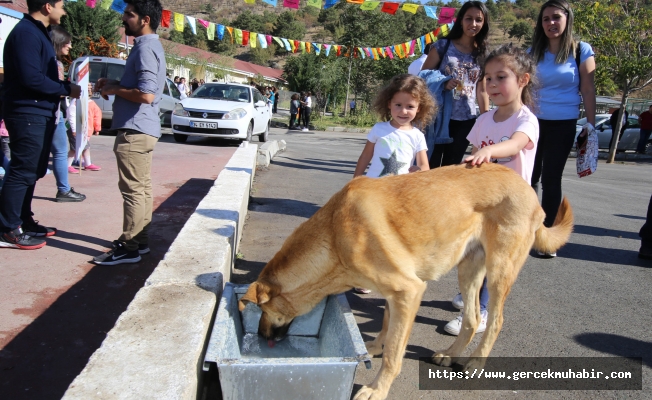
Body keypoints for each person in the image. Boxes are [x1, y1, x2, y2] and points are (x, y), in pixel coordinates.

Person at [446, 44, 539, 335]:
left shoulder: (526, 120)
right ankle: (470, 294)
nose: (492, 84)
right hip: (480, 204)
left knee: (494, 260)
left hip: (509, 207)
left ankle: (480, 311)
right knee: (471, 255)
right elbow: (475, 151)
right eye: (488, 77)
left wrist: (490, 152)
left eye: (501, 77)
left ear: (523, 80)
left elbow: (515, 144)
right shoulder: (484, 119)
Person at [0, 0, 81, 250]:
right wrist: (65, 88)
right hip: (26, 112)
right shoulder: (26, 33)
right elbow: (31, 77)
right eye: (62, 5)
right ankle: (7, 228)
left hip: (41, 112)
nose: (65, 11)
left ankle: (23, 220)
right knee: (22, 170)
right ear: (48, 6)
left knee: (33, 170)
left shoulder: (40, 33)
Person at [93, 0, 166, 265]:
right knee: (141, 189)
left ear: (145, 19)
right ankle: (140, 241)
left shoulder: (146, 49)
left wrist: (114, 90)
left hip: (135, 130)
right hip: (142, 129)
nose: (123, 18)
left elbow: (146, 94)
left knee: (133, 190)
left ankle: (129, 246)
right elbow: (142, 87)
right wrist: (114, 83)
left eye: (128, 14)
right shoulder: (149, 47)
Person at [353, 74, 437, 294]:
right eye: (398, 105)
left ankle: (387, 273)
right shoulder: (379, 129)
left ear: (419, 108)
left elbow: (424, 166)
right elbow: (365, 157)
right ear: (389, 103)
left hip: (399, 195)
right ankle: (365, 275)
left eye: (410, 106)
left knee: (390, 236)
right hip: (372, 191)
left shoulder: (417, 136)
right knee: (368, 232)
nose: (403, 111)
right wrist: (356, 179)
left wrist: (418, 171)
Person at [529, 0, 596, 257]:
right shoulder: (532, 51)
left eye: (556, 17)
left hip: (564, 122)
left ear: (567, 19)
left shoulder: (581, 50)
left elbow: (588, 89)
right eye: (546, 19)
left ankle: (547, 236)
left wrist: (590, 124)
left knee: (551, 179)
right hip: (532, 123)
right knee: (528, 178)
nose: (551, 23)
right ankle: (527, 230)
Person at [421, 1, 490, 168]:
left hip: (467, 120)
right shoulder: (443, 46)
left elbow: (481, 89)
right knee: (432, 166)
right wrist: (443, 83)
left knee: (453, 168)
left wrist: (486, 118)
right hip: (439, 116)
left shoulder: (483, 53)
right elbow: (422, 77)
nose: (473, 24)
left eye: (478, 20)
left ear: (484, 23)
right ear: (460, 20)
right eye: (469, 18)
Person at [49, 25, 86, 201]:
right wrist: (69, 89)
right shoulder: (52, 63)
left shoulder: (56, 62)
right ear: (58, 42)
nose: (70, 47)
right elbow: (53, 88)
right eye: (68, 43)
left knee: (61, 151)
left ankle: (63, 188)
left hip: (55, 115)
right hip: (49, 116)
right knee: (56, 153)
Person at [67, 93, 102, 172]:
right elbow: (71, 117)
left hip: (81, 129)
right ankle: (67, 165)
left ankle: (88, 163)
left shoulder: (83, 102)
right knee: (74, 148)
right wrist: (74, 130)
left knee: (86, 147)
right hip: (75, 129)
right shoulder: (74, 103)